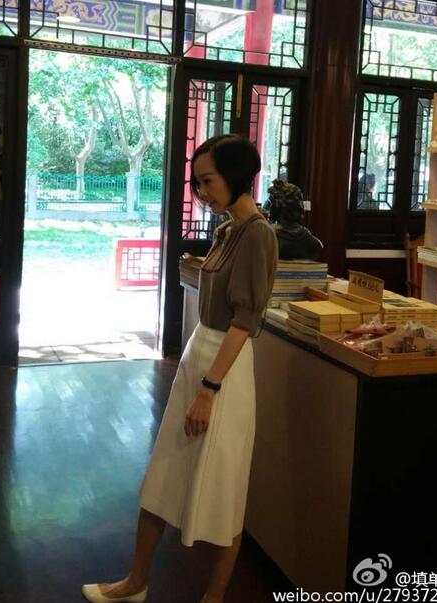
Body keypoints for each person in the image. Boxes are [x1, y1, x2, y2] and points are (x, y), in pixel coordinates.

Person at [82, 134, 278, 603]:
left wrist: (210, 388)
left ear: (236, 177)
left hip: (224, 370)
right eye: (198, 183)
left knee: (223, 485)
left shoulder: (258, 234)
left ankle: (213, 597)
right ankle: (136, 581)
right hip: (201, 355)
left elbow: (245, 321)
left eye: (208, 181)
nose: (202, 192)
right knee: (165, 472)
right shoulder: (228, 229)